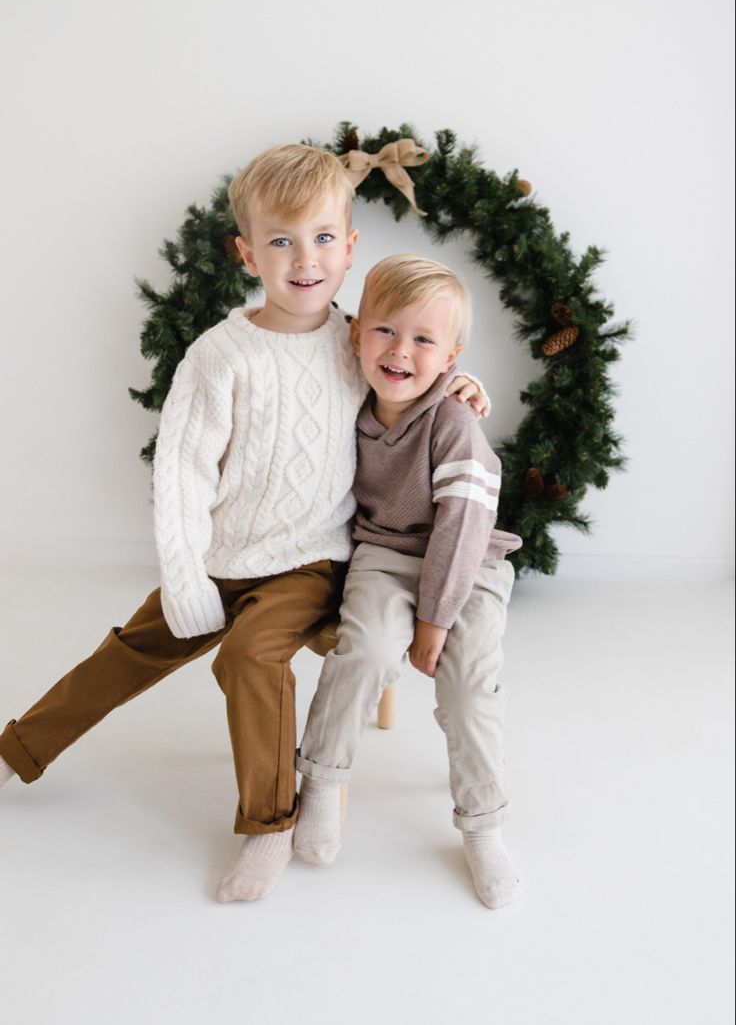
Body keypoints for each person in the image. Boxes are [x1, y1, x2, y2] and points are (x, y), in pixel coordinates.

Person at [0, 145, 487, 903]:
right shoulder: (218, 357)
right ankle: (17, 749)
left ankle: (268, 824)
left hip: (310, 562)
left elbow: (414, 372)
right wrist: (187, 574)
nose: (305, 260)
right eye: (282, 241)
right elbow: (182, 473)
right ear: (247, 252)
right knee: (128, 651)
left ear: (350, 247)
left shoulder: (360, 340)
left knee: (250, 657)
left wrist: (464, 380)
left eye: (324, 238)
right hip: (222, 556)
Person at [294, 253, 525, 909]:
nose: (400, 352)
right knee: (362, 650)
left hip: (468, 563)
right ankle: (323, 780)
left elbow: (463, 523)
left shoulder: (454, 419)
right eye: (386, 331)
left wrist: (436, 619)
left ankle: (483, 827)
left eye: (424, 340)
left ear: (450, 357)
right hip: (384, 555)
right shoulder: (345, 395)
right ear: (355, 333)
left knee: (469, 683)